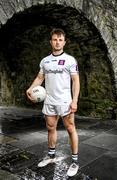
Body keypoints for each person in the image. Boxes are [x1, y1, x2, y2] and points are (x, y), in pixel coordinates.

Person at [26, 28, 80, 177]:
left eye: (60, 39)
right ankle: (51, 157)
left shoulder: (70, 60)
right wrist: (29, 89)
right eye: (55, 39)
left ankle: (75, 162)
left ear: (64, 42)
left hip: (65, 101)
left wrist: (74, 101)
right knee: (50, 128)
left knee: (70, 129)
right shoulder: (45, 61)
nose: (57, 42)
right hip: (49, 101)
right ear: (51, 41)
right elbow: (39, 78)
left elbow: (76, 81)